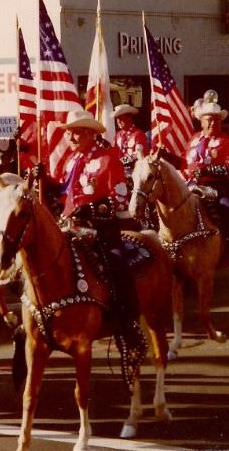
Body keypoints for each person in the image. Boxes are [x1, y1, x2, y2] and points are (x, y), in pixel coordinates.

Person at [54, 110, 145, 385]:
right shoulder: (71, 160)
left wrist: (89, 210)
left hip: (101, 227)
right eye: (69, 131)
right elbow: (64, 194)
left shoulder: (109, 159)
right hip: (70, 224)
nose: (71, 136)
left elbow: (119, 200)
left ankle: (129, 324)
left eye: (77, 131)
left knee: (117, 262)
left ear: (92, 134)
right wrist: (44, 182)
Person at [183, 92, 229, 237]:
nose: (213, 123)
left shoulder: (227, 142)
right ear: (201, 121)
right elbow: (184, 164)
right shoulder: (193, 140)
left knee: (228, 206)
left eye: (217, 120)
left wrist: (206, 171)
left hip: (217, 188)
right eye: (209, 120)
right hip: (190, 186)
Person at [112, 104, 148, 177]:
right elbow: (115, 152)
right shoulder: (118, 135)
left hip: (136, 173)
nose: (118, 121)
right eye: (117, 118)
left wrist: (122, 161)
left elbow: (138, 153)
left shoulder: (138, 134)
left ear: (129, 118)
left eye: (121, 118)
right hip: (120, 173)